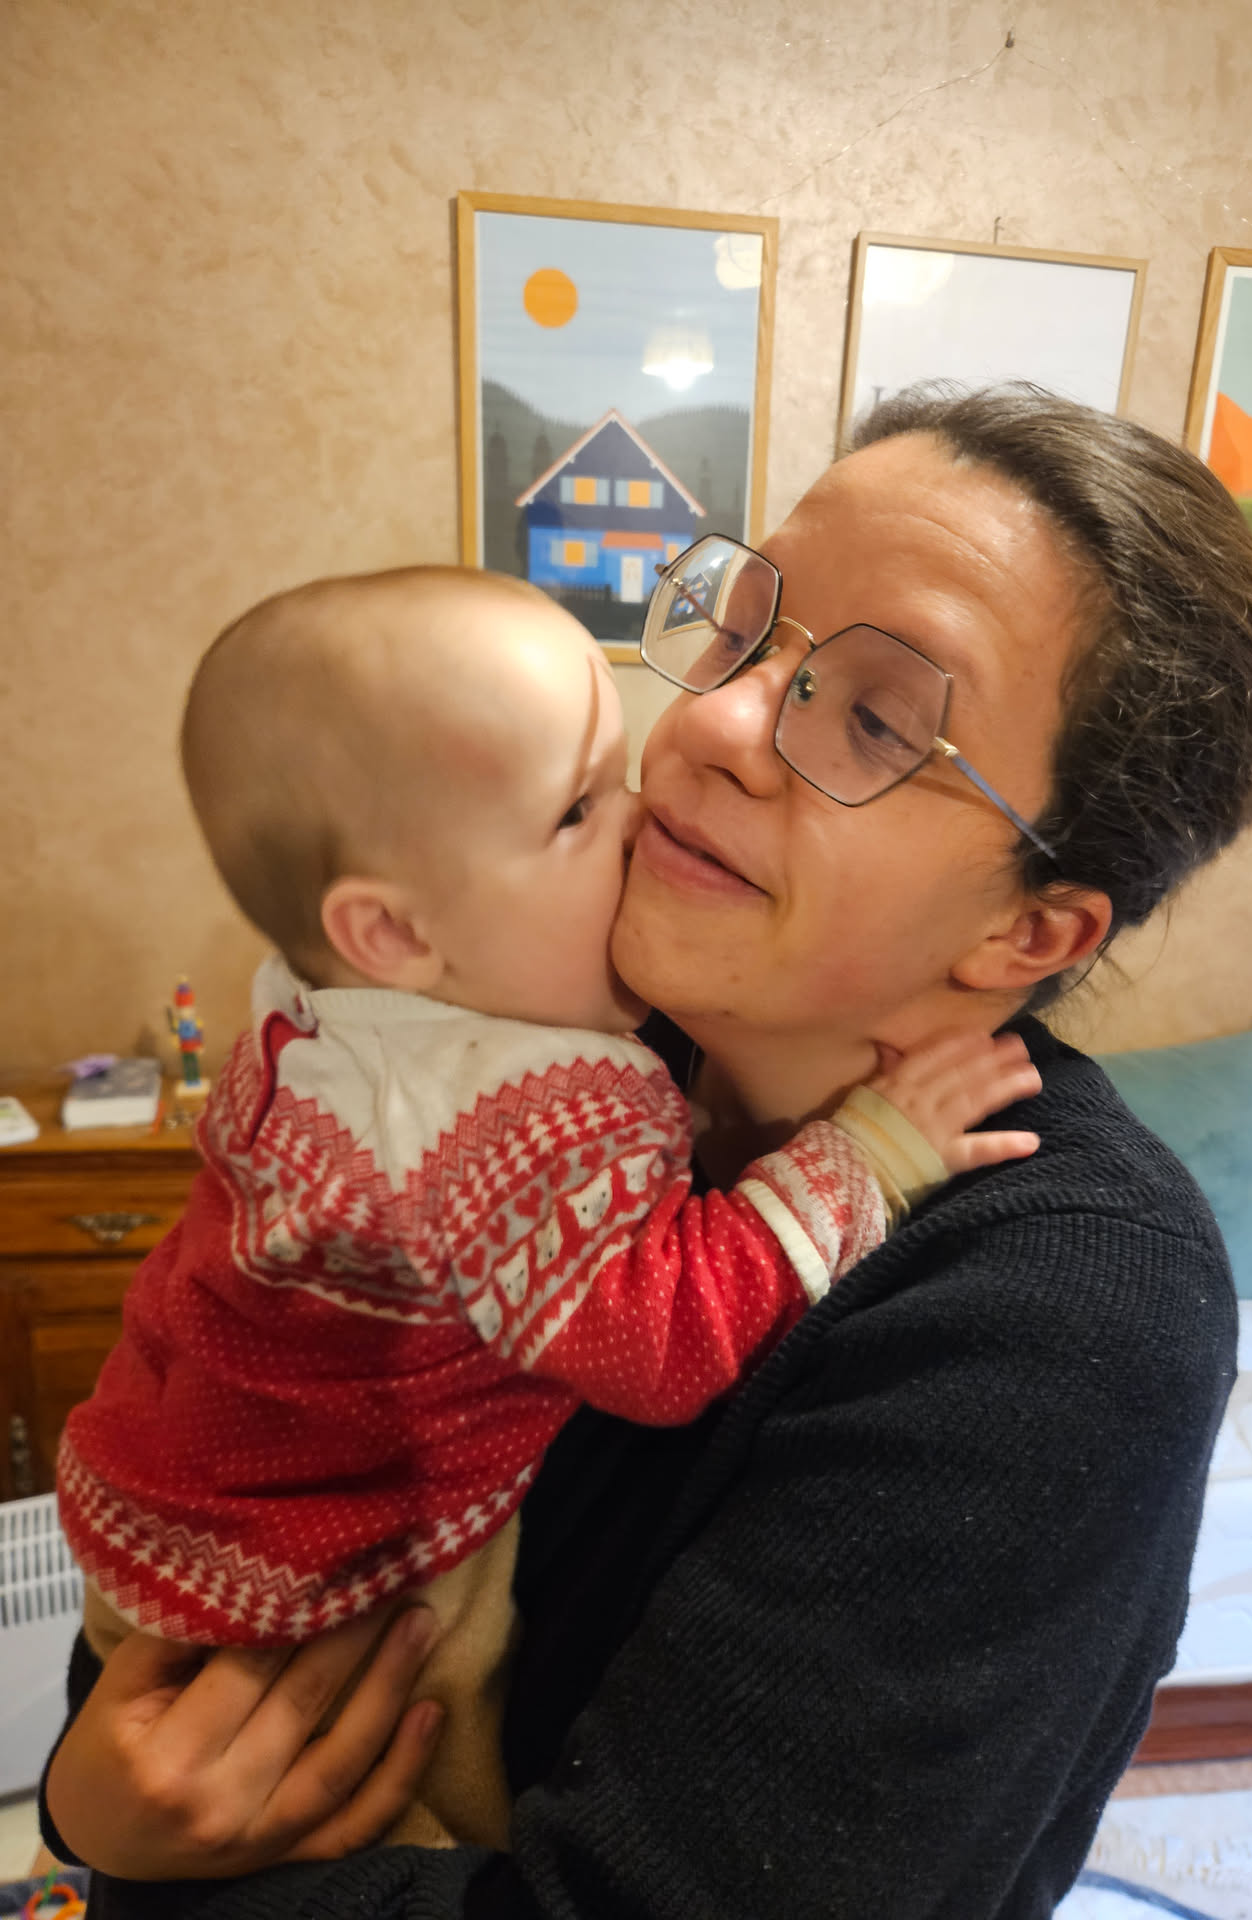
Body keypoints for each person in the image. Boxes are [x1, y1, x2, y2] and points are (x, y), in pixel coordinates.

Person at [42, 385, 1252, 1920]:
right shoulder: (557, 1052)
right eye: (749, 631)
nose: (707, 725)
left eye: (877, 719)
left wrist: (147, 1874)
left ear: (1031, 932)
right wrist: (90, 1790)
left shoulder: (1067, 1304)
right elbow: (220, 1455)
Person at [55, 565, 1040, 1854]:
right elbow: (660, 1339)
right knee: (432, 1811)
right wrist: (873, 1152)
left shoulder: (330, 1014)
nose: (647, 812)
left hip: (169, 1512)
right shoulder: (506, 1113)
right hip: (325, 1589)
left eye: (876, 719)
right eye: (579, 809)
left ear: (1040, 927)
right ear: (392, 935)